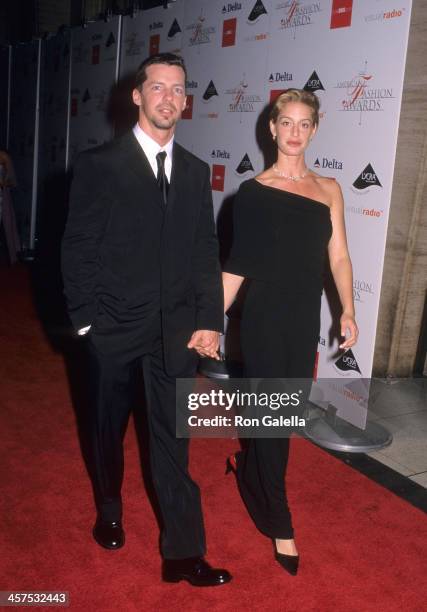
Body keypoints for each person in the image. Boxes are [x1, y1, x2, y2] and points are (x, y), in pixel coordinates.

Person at [61, 53, 231, 587]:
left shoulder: (197, 171)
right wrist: (87, 323)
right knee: (107, 428)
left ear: (185, 100)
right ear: (137, 96)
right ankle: (109, 505)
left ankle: (183, 553)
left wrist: (210, 319)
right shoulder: (100, 164)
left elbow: (205, 250)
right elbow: (78, 247)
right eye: (157, 87)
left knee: (172, 444)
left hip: (176, 332)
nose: (167, 98)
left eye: (177, 89)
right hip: (113, 327)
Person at [222, 89, 358, 575]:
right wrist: (207, 323)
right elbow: (236, 268)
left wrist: (347, 310)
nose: (295, 132)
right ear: (272, 128)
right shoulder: (254, 192)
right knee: (272, 421)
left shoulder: (330, 189)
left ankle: (248, 474)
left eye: (305, 124)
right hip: (263, 318)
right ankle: (280, 523)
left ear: (315, 129)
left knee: (278, 416)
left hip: (303, 318)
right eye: (287, 123)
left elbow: (338, 256)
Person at [0, 150, 20, 264]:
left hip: (3, 197)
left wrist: (2, 183)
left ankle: (13, 258)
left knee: (8, 227)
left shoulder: (4, 156)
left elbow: (13, 181)